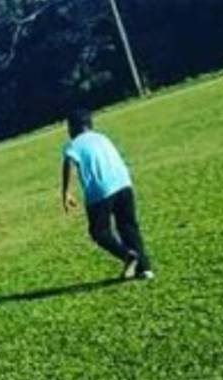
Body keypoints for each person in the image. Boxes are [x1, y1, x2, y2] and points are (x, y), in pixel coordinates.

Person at [61, 108, 154, 280]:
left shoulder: (73, 144)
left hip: (100, 190)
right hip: (124, 183)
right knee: (129, 227)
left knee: (99, 232)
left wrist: (66, 192)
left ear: (72, 128)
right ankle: (145, 269)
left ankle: (128, 256)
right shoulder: (102, 137)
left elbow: (69, 162)